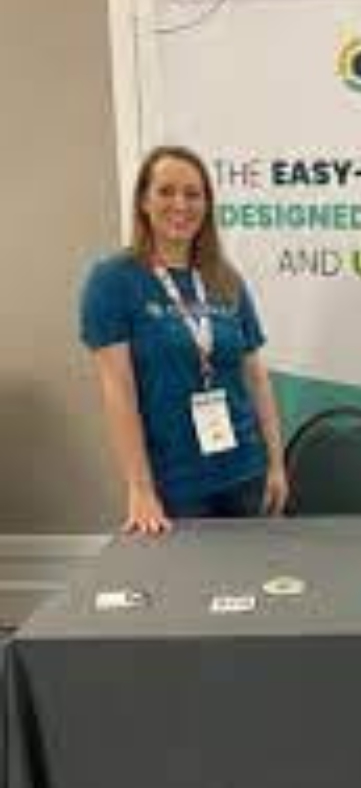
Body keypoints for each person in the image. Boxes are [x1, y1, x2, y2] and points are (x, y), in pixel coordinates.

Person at [80, 145, 289, 534]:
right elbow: (118, 390)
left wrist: (276, 464)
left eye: (193, 194)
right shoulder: (113, 280)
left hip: (246, 471)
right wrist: (140, 488)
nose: (181, 204)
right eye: (166, 191)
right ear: (144, 201)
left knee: (256, 572)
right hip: (174, 485)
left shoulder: (224, 277)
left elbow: (257, 379)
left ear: (206, 206)